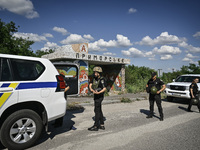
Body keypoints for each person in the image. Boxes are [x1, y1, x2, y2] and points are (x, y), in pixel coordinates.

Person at [88, 66, 107, 131]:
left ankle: (96, 126)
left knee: (96, 110)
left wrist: (99, 92)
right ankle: (102, 124)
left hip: (100, 96)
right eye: (94, 72)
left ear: (99, 73)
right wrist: (91, 89)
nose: (94, 73)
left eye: (96, 72)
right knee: (99, 110)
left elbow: (104, 88)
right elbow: (90, 84)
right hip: (95, 96)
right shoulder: (94, 78)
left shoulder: (102, 79)